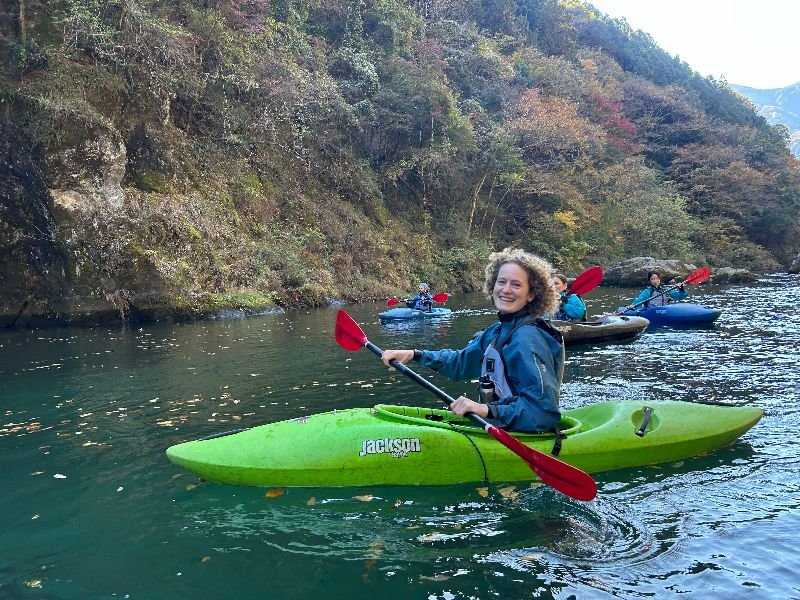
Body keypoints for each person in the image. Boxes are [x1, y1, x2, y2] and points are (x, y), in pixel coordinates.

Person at [381, 248, 565, 433]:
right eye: (501, 282)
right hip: (502, 427)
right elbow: (460, 362)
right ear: (493, 286)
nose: (506, 290)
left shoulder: (527, 338)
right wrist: (415, 354)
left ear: (531, 294)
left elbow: (542, 413)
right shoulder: (497, 331)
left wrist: (484, 409)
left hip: (525, 436)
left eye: (516, 285)